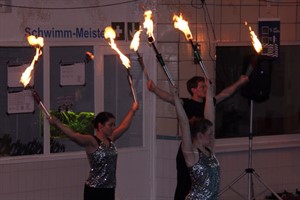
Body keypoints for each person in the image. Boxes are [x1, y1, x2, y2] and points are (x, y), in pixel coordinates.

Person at [147, 75, 249, 200]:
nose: (205, 89)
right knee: (184, 183)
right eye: (202, 87)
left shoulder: (209, 104)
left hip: (203, 149)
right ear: (193, 90)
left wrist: (239, 82)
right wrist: (154, 89)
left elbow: (225, 93)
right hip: (190, 148)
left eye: (206, 87)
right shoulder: (187, 103)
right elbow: (170, 99)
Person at [47, 102, 139, 200]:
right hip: (95, 190)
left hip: (109, 188)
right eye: (110, 125)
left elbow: (124, 126)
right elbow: (74, 135)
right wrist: (57, 123)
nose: (113, 127)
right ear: (100, 126)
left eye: (114, 125)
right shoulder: (92, 141)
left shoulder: (110, 139)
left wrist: (132, 110)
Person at [171, 78, 220, 200]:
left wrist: (209, 92)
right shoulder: (190, 153)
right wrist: (176, 98)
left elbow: (210, 117)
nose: (211, 136)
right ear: (199, 135)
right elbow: (184, 124)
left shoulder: (208, 149)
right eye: (209, 134)